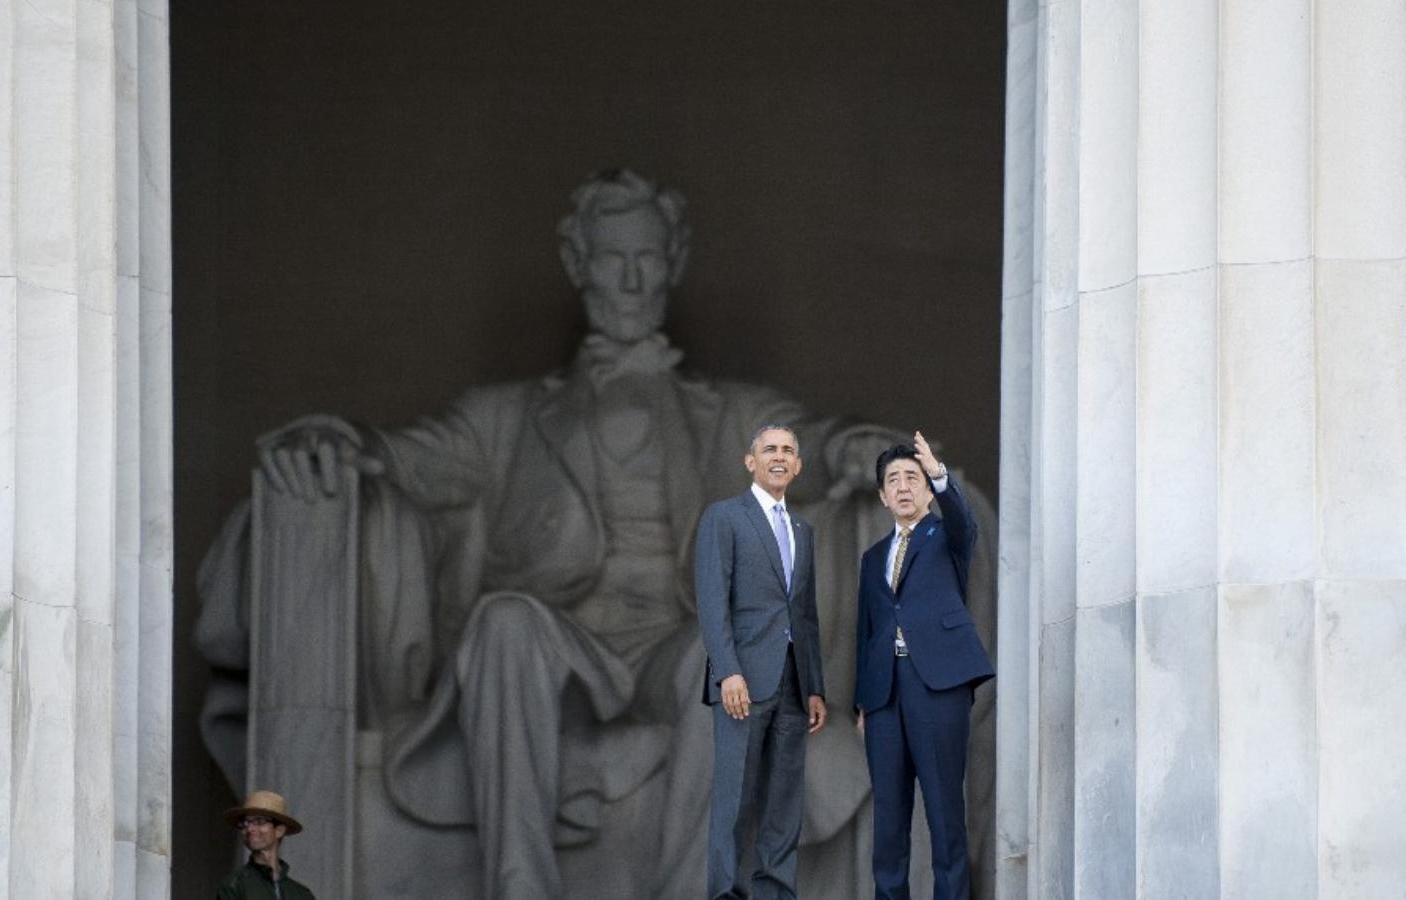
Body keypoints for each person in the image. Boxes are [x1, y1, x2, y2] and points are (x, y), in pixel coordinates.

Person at [198, 169, 890, 898]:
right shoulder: (508, 416)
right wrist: (338, 442)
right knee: (503, 622)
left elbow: (811, 444)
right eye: (612, 258)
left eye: (647, 258)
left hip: (675, 646)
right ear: (577, 263)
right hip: (561, 655)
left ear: (673, 262)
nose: (629, 280)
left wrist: (861, 451)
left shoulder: (729, 415)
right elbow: (409, 458)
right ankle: (518, 883)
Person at [853, 432, 994, 900]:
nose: (903, 487)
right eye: (893, 480)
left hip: (937, 688)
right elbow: (866, 630)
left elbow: (964, 522)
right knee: (889, 823)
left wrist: (938, 472)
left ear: (926, 488)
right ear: (882, 495)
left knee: (944, 814)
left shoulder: (945, 537)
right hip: (884, 695)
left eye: (911, 478)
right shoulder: (873, 558)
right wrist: (862, 701)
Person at [696, 425, 829, 899]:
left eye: (788, 451)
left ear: (798, 466)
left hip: (793, 685)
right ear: (749, 461)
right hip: (743, 682)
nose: (779, 457)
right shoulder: (725, 516)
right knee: (734, 801)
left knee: (783, 806)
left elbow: (805, 614)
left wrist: (814, 685)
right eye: (769, 449)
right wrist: (727, 670)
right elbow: (712, 601)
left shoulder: (803, 531)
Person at [215, 790, 317, 900]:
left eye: (259, 821)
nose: (250, 829)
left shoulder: (302, 895)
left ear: (279, 830)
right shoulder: (234, 886)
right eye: (245, 823)